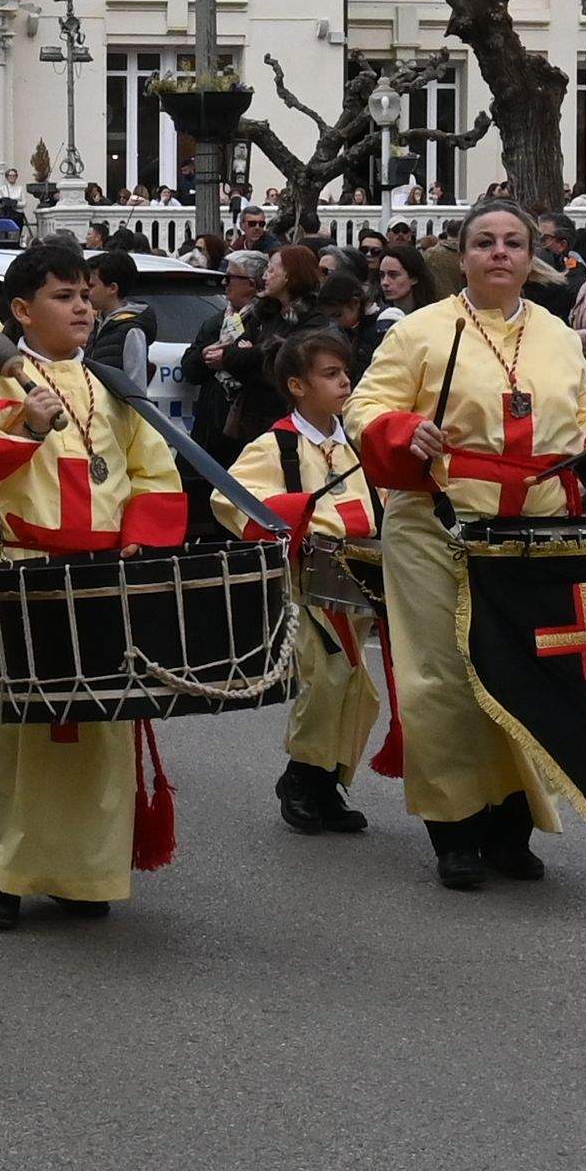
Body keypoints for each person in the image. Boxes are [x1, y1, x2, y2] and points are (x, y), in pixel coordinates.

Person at [347, 200, 586, 892]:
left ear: (532, 255)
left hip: (537, 533)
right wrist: (403, 430)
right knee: (443, 677)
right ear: (463, 254)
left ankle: (512, 822)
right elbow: (365, 407)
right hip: (438, 526)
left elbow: (584, 411)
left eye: (513, 242)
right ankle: (455, 830)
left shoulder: (559, 335)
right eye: (485, 242)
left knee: (522, 675)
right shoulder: (421, 330)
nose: (499, 253)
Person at [0, 234, 213, 926]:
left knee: (102, 731)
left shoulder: (110, 385)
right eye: (61, 297)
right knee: (30, 731)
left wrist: (138, 543)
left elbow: (153, 473)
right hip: (27, 572)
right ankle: (9, 872)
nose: (81, 308)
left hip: (105, 573)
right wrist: (26, 426)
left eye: (82, 295)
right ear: (21, 310)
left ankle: (87, 876)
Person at [232, 321, 381, 833]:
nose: (346, 383)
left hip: (362, 581)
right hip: (308, 583)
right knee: (325, 679)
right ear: (298, 386)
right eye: (332, 374)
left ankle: (326, 782)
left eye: (348, 373)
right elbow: (236, 500)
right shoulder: (277, 446)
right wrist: (297, 512)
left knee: (358, 690)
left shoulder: (360, 440)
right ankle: (300, 777)